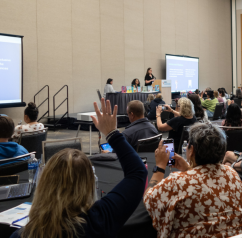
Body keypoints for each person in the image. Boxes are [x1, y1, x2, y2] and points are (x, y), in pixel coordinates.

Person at [11, 98, 148, 238]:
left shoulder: (22, 235)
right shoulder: (99, 221)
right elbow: (138, 172)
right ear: (89, 184)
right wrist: (112, 133)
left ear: (44, 182)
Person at [143, 123, 242, 237]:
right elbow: (206, 183)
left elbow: (149, 200)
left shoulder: (178, 182)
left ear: (191, 150)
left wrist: (160, 167)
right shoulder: (232, 174)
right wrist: (188, 169)